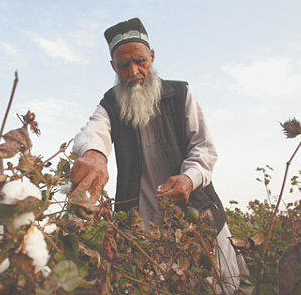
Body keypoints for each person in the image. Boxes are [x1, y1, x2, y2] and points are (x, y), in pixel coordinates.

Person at [70, 17, 241, 294]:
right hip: (143, 227)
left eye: (140, 61)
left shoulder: (179, 94)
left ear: (151, 56)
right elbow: (93, 130)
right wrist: (93, 155)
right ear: (114, 67)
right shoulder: (111, 103)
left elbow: (204, 149)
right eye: (124, 65)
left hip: (197, 214)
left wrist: (189, 178)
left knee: (215, 285)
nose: (133, 71)